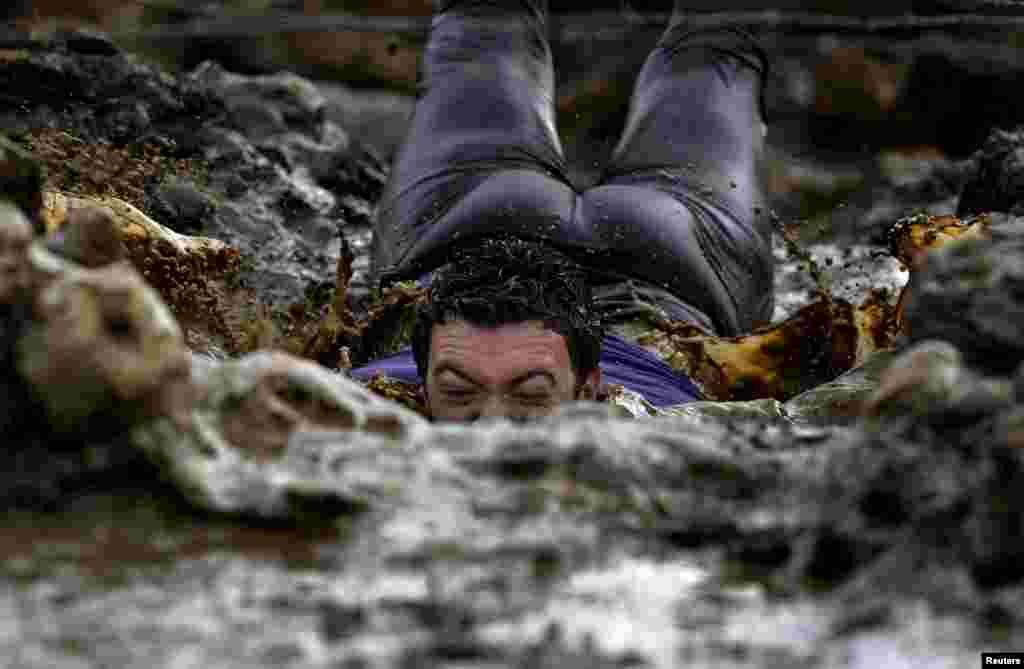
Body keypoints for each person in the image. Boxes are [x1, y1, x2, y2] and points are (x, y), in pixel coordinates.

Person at [351, 0, 775, 422]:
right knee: (481, 18)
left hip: (465, 227)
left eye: (530, 396)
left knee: (722, 42)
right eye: (459, 393)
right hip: (673, 264)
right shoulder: (663, 434)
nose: (492, 430)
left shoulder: (365, 421)